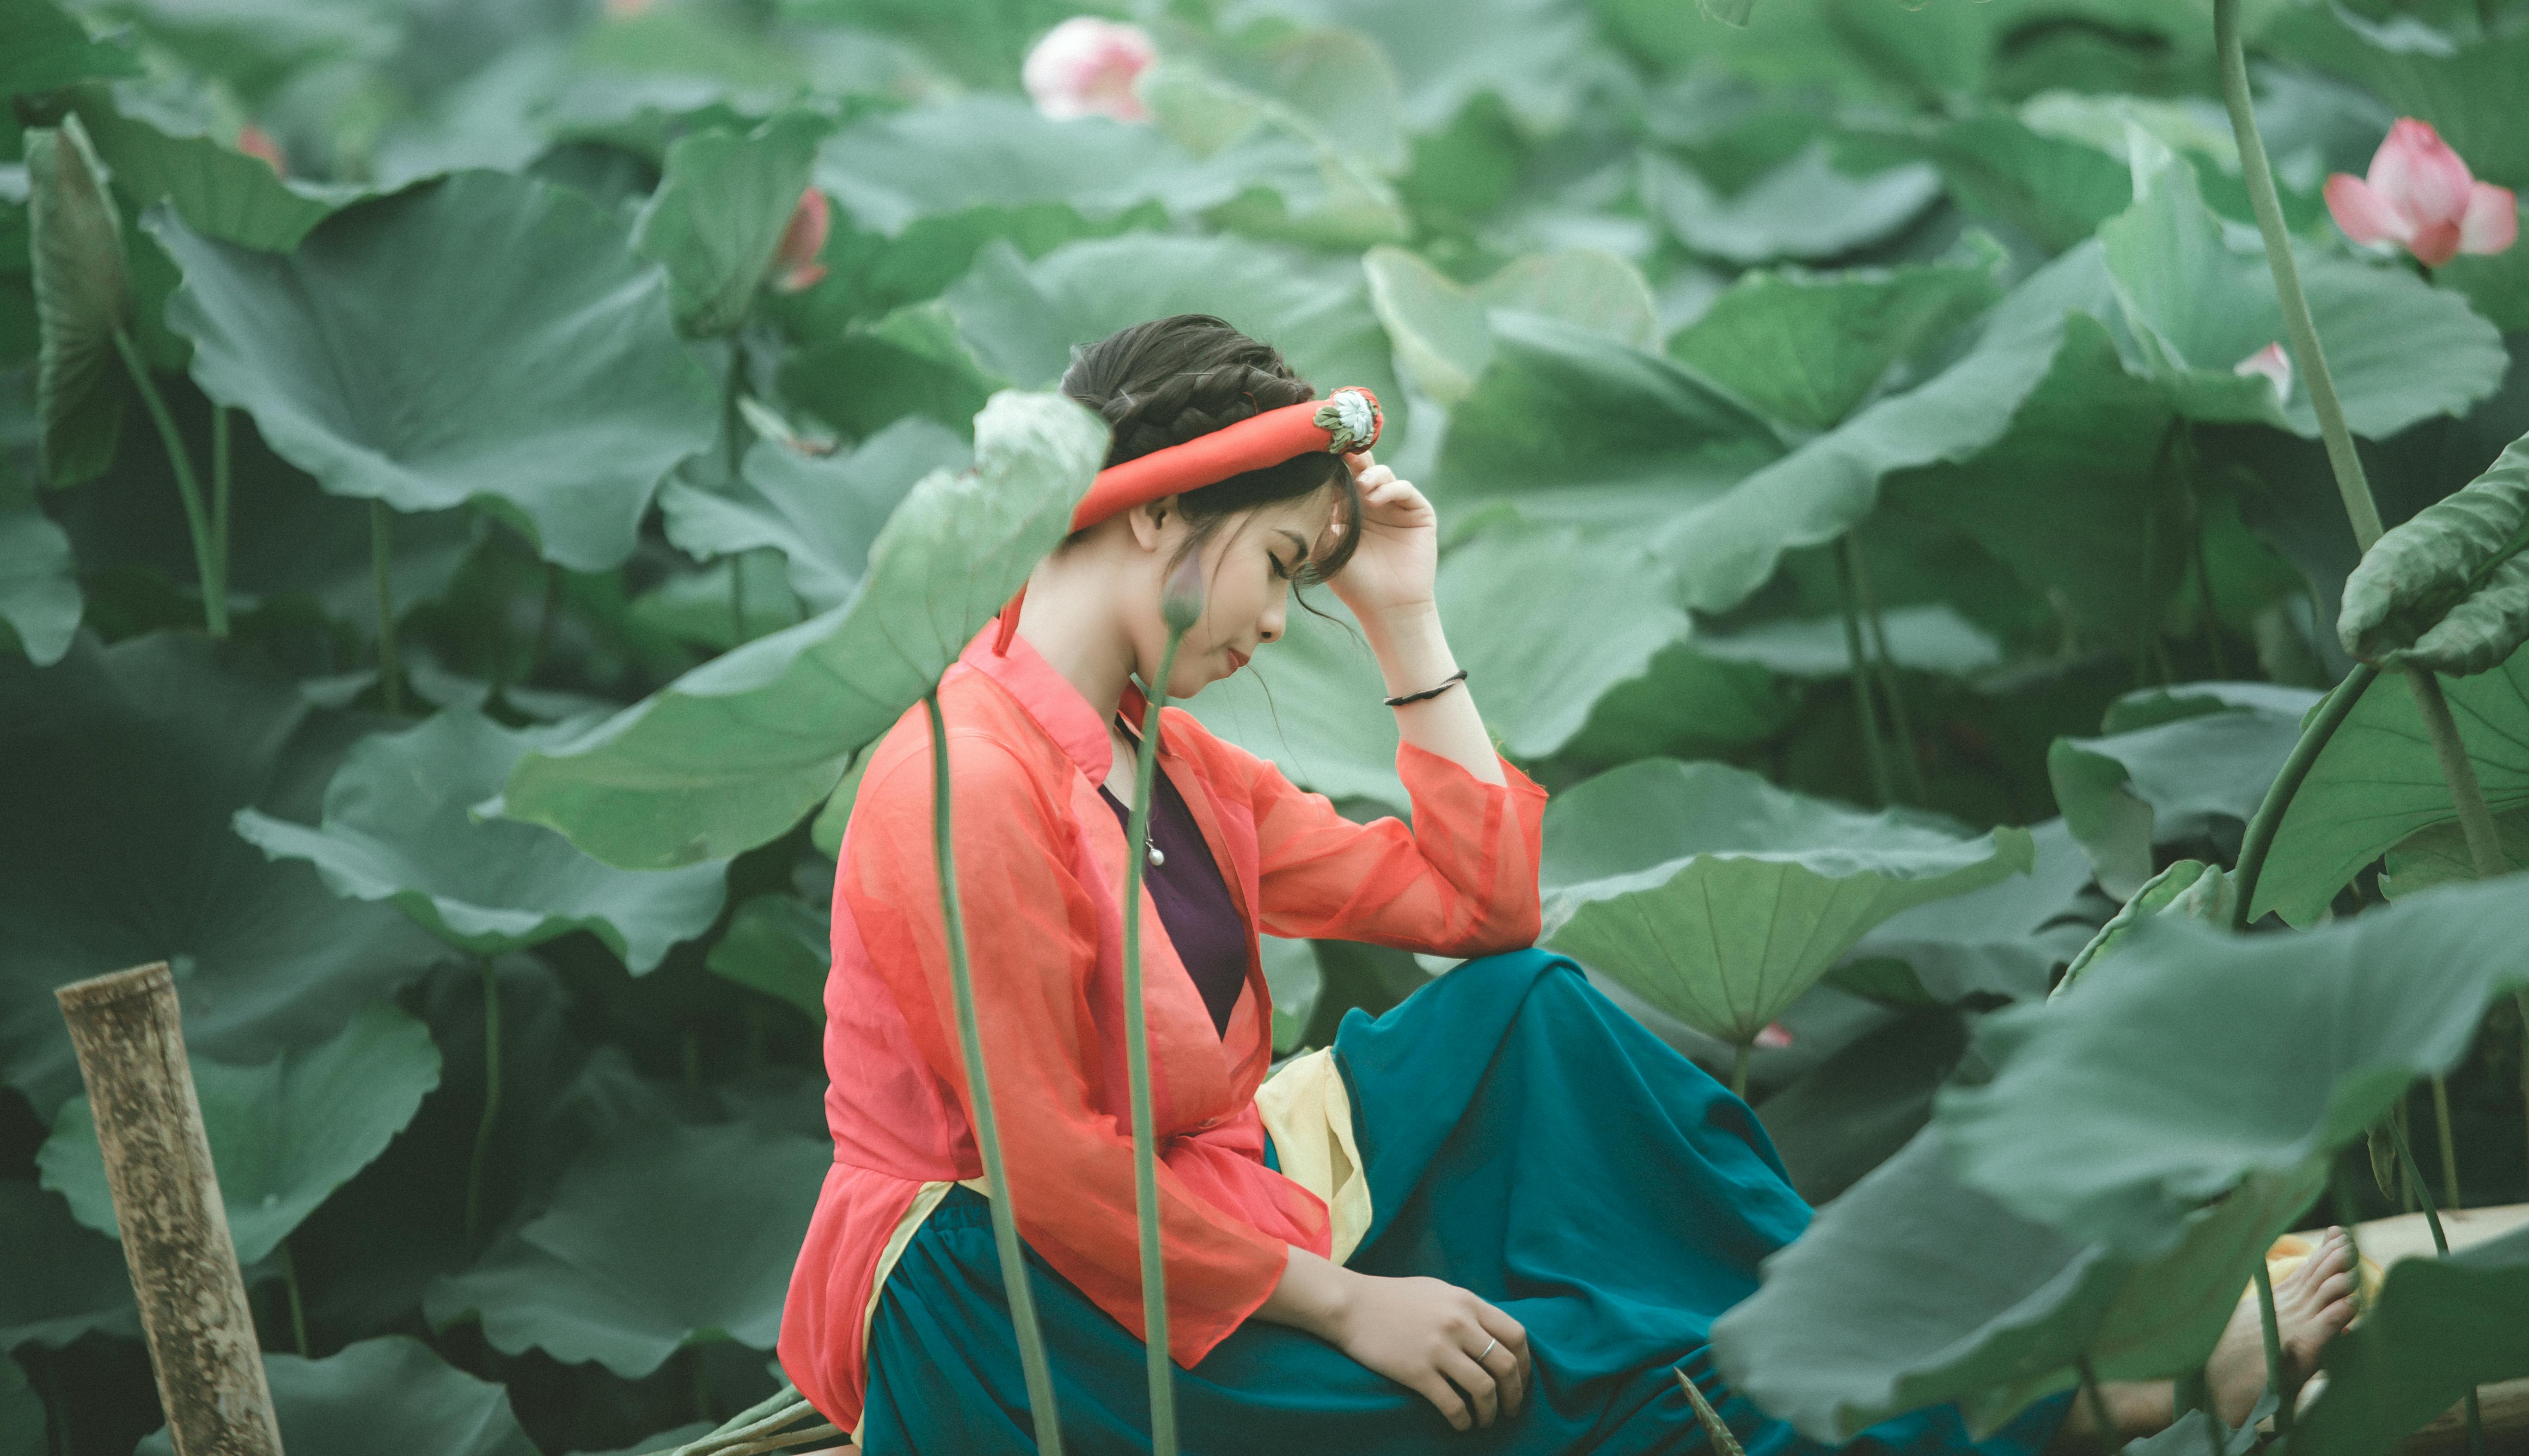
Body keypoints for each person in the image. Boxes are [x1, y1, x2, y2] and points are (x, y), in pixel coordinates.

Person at [775, 315, 2356, 1454]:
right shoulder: (960, 770)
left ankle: (1876, 1340)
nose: (1275, 625)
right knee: (1546, 1388)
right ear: (1163, 514)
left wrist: (1405, 618)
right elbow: (1049, 1173)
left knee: (1534, 1014)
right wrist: (1347, 1308)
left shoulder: (1166, 755)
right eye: (1280, 569)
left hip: (1211, 1189)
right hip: (1008, 1294)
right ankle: (2057, 1399)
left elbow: (1483, 914)